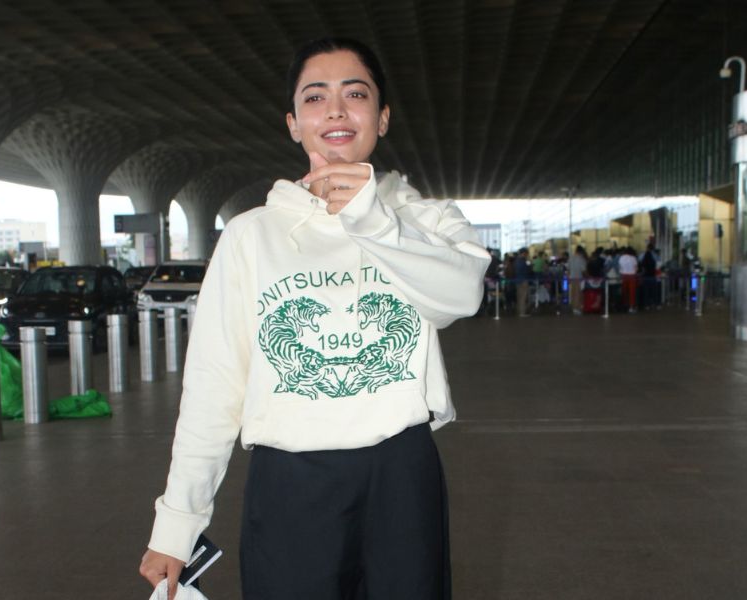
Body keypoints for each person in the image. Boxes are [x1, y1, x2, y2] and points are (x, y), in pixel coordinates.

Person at [139, 37, 490, 600]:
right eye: (315, 97)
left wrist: (371, 219)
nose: (336, 110)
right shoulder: (251, 235)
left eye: (356, 94)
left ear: (382, 117)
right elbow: (213, 386)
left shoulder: (427, 221)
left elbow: (461, 296)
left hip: (400, 474)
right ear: (293, 123)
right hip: (289, 481)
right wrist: (177, 523)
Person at [567, 245, 587, 315]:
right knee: (579, 294)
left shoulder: (570, 258)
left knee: (573, 293)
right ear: (581, 252)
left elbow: (568, 270)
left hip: (572, 278)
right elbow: (584, 270)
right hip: (579, 278)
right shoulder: (581, 259)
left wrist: (568, 278)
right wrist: (587, 276)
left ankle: (574, 308)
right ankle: (578, 308)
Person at [619, 246, 639, 312]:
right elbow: (636, 268)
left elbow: (620, 267)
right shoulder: (633, 258)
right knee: (632, 292)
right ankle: (631, 307)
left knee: (624, 292)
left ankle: (624, 306)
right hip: (632, 276)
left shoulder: (621, 257)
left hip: (623, 276)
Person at [514, 247, 532, 317]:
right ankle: (522, 312)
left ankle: (519, 311)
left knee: (519, 297)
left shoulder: (516, 261)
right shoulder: (523, 261)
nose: (527, 255)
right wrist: (529, 265)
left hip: (518, 280)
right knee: (523, 297)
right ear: (524, 253)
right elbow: (527, 269)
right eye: (526, 254)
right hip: (523, 280)